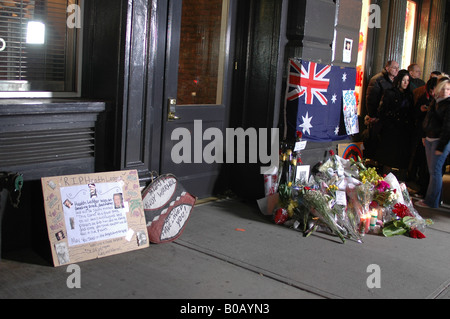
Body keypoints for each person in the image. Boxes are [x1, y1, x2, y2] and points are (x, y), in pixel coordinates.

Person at [416, 75, 450, 208]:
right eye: (443, 89)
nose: (446, 92)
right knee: (432, 171)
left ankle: (431, 201)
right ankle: (432, 199)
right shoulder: (436, 101)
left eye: (448, 89)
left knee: (435, 171)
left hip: (439, 141)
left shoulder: (447, 104)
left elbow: (447, 128)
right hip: (430, 139)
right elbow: (428, 120)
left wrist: (441, 146)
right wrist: (424, 135)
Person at [375, 69, 414, 179]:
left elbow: (411, 113)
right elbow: (382, 110)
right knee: (389, 156)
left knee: (402, 157)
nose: (406, 83)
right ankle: (385, 179)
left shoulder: (409, 95)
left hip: (404, 129)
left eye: (407, 80)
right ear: (399, 81)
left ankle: (401, 180)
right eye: (403, 80)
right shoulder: (390, 92)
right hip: (391, 129)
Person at [408, 77, 438, 197]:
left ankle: (431, 195)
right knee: (423, 162)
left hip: (434, 137)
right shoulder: (423, 97)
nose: (432, 93)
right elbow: (415, 114)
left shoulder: (441, 102)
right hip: (424, 134)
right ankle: (423, 189)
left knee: (432, 168)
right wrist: (420, 110)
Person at [363, 60, 399, 159]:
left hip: (387, 119)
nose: (397, 70)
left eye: (398, 68)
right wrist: (373, 116)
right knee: (374, 143)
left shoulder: (395, 81)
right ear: (387, 68)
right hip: (377, 119)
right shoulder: (377, 80)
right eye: (394, 67)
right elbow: (371, 99)